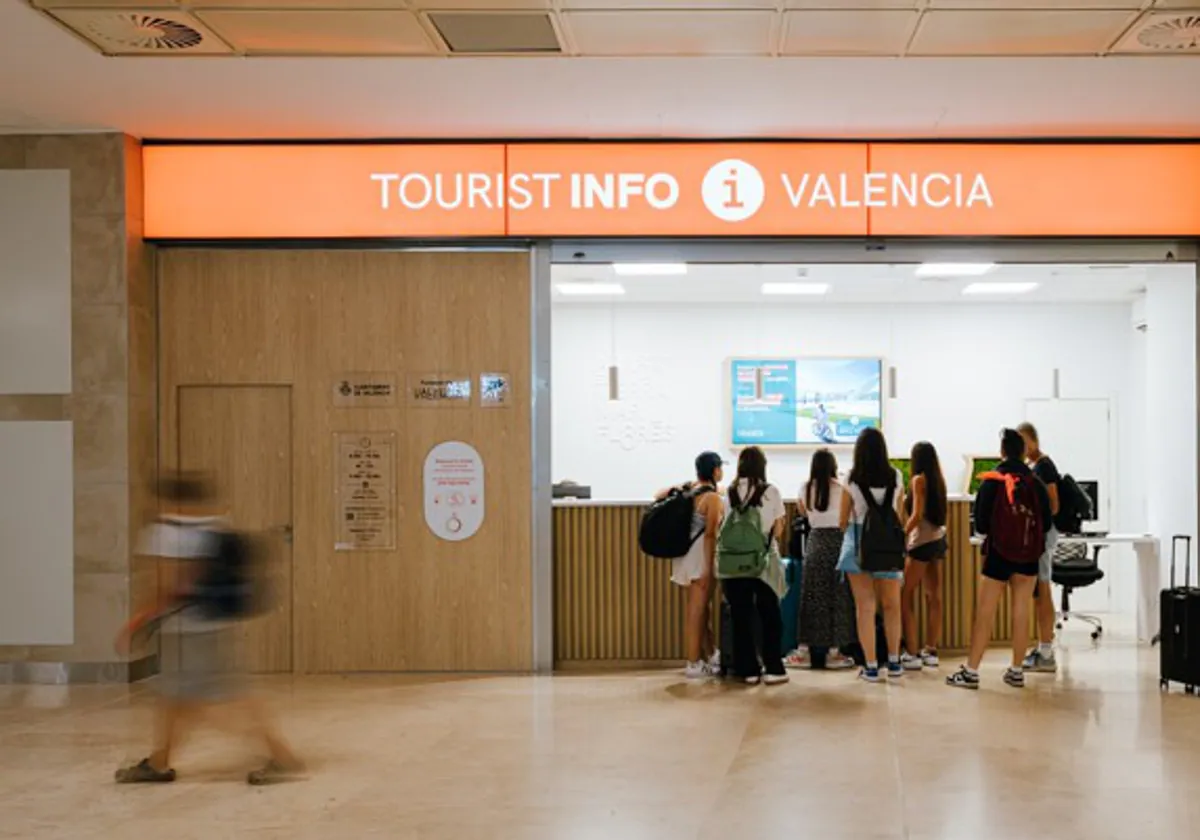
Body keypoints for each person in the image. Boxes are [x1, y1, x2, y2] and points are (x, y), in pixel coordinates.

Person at [115, 472, 303, 785]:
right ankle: (159, 762)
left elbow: (168, 585)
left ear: (169, 499)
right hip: (213, 623)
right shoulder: (215, 525)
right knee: (178, 695)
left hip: (187, 628)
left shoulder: (165, 532)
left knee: (208, 699)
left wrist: (138, 620)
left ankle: (281, 756)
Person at [947, 429, 1052, 690]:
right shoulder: (1035, 482)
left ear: (1002, 451)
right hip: (1028, 555)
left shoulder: (993, 480)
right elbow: (1047, 522)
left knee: (985, 612)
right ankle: (1016, 670)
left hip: (998, 554)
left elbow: (981, 522)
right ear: (1023, 452)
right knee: (1021, 611)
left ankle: (971, 671)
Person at [837, 428, 906, 682]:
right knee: (892, 605)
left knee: (865, 607)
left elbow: (842, 519)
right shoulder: (896, 476)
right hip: (888, 543)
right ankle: (895, 662)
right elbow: (899, 513)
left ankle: (871, 666)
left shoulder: (851, 479)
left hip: (858, 544)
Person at [719, 446, 789, 686]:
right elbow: (778, 528)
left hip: (732, 562)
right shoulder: (771, 491)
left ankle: (747, 669)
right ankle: (773, 668)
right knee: (769, 613)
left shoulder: (728, 493)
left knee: (741, 616)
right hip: (763, 561)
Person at [658, 452, 725, 679]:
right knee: (696, 612)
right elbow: (711, 535)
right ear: (715, 471)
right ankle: (693, 663)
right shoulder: (713, 499)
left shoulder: (690, 491)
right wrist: (707, 567)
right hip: (701, 559)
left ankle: (710, 655)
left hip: (685, 557)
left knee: (701, 609)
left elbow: (657, 495)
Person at [788, 449, 855, 670]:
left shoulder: (804, 488)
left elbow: (804, 512)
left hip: (815, 542)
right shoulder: (843, 488)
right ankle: (834, 653)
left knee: (811, 597)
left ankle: (804, 651)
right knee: (838, 597)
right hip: (838, 542)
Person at [900, 442, 949, 671]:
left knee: (905, 595)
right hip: (939, 540)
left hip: (921, 542)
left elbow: (917, 514)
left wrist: (902, 534)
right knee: (934, 596)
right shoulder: (939, 481)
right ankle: (931, 649)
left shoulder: (918, 480)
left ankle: (911, 652)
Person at [1018, 421, 1060, 674]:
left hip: (1043, 536)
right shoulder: (1034, 466)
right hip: (1037, 536)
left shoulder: (1045, 466)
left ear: (1033, 440)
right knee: (1039, 591)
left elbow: (1053, 505)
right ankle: (1043, 647)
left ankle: (1046, 651)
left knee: (1043, 590)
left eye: (1024, 442)